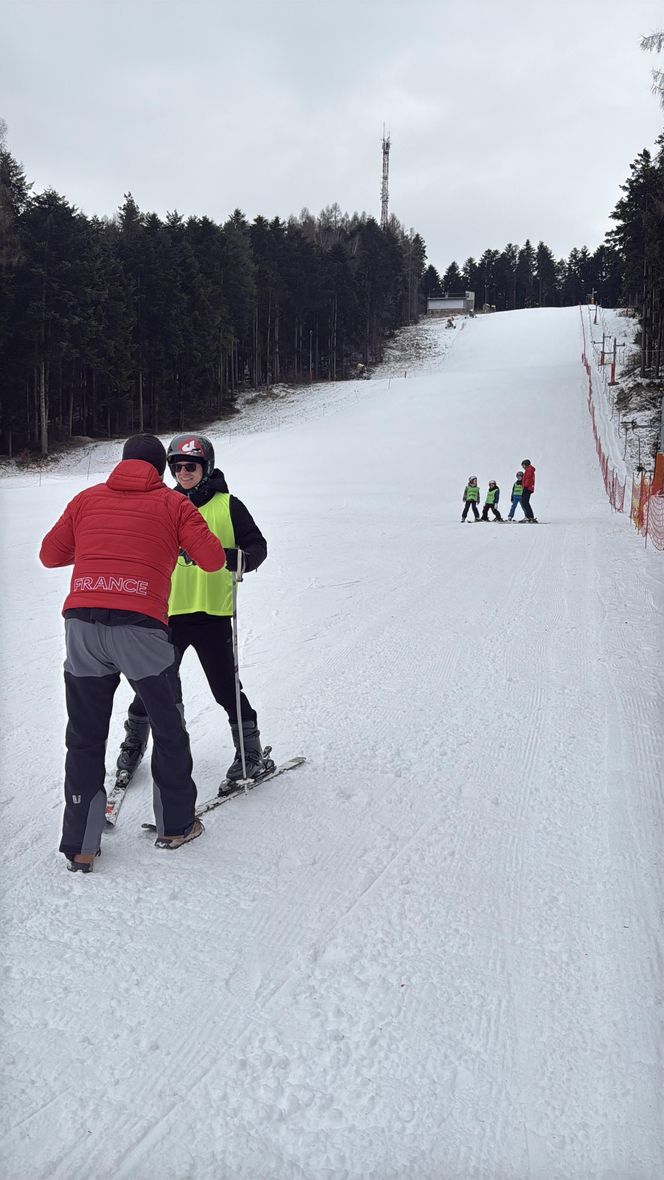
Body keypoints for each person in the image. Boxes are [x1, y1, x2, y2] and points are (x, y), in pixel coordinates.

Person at [39, 434, 226, 872]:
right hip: (141, 628)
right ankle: (176, 826)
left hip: (82, 625)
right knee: (169, 726)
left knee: (84, 737)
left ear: (120, 463)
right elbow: (214, 560)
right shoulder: (174, 504)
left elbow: (50, 555)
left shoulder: (86, 499)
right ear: (161, 468)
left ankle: (81, 846)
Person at [118, 434, 269, 794]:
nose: (184, 473)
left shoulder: (228, 505)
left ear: (207, 468)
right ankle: (134, 743)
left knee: (225, 687)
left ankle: (250, 753)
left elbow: (257, 547)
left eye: (191, 466)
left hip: (212, 613)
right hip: (166, 614)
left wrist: (235, 559)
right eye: (177, 466)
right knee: (152, 685)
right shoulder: (163, 503)